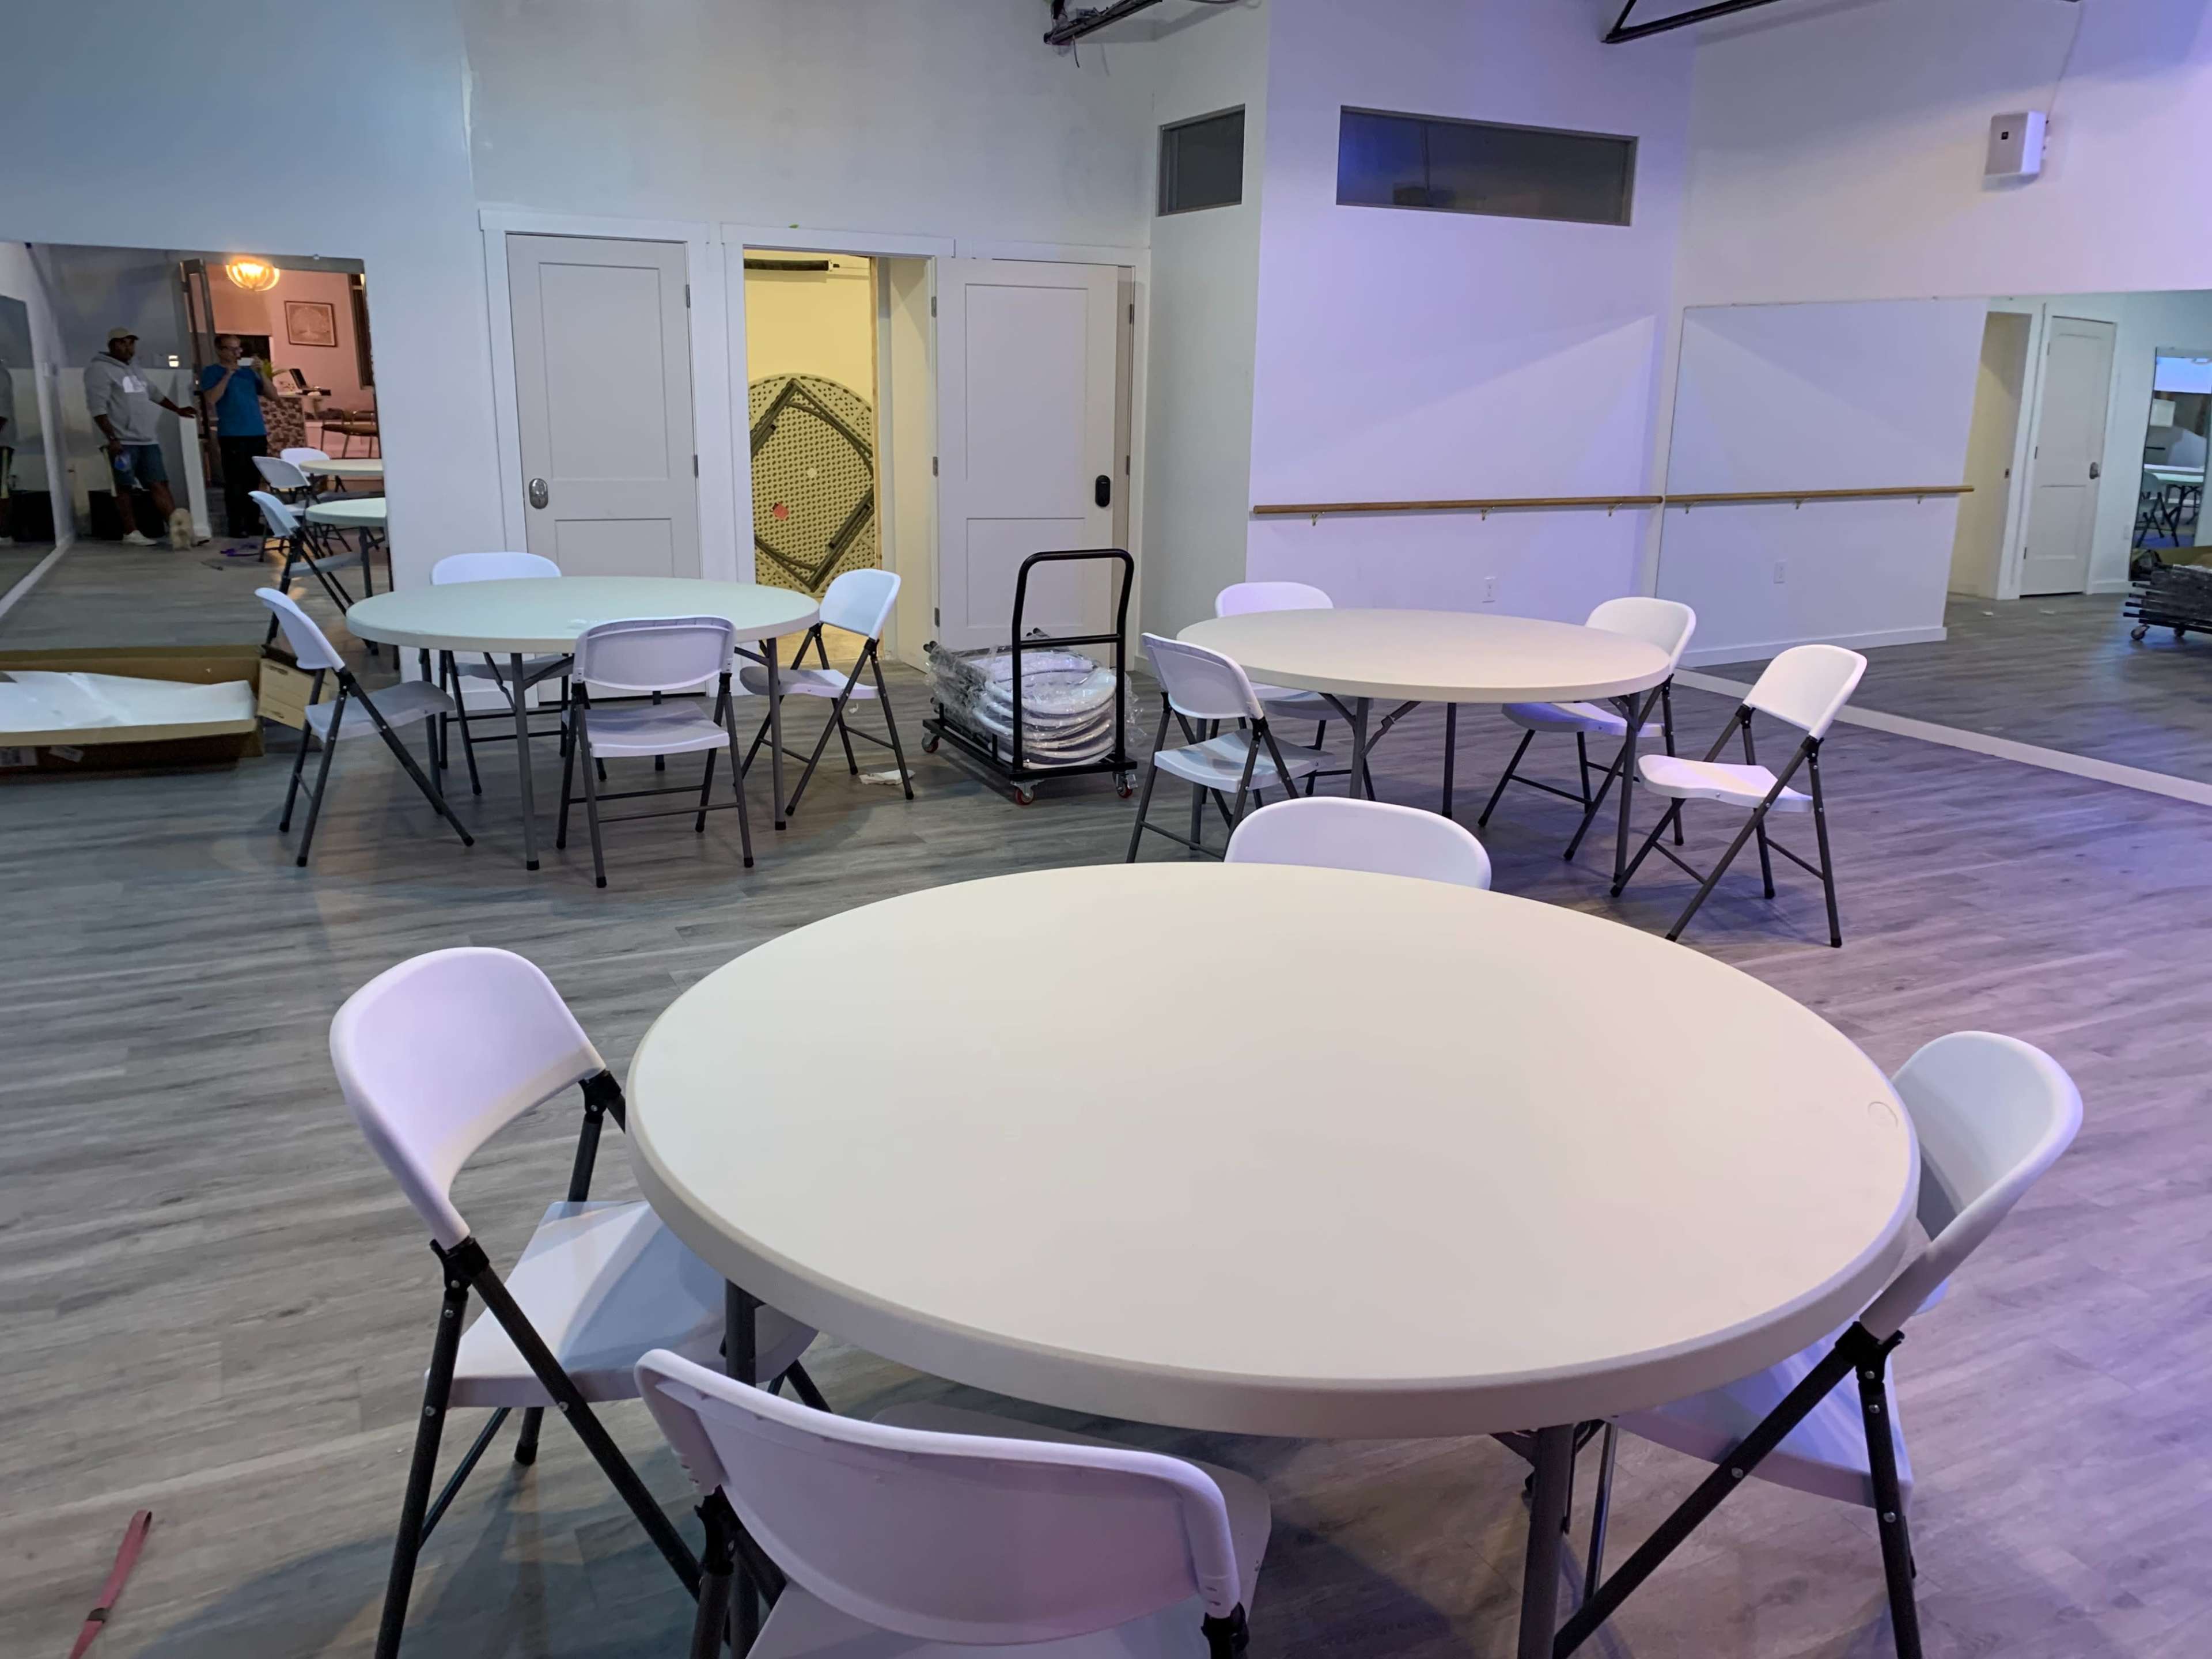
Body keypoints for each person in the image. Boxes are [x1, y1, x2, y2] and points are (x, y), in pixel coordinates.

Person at [85, 326, 198, 547]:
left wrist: (177, 410)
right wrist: (112, 438)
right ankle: (131, 532)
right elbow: (97, 407)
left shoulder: (134, 368)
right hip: (121, 441)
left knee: (159, 482)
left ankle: (178, 531)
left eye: (131, 342)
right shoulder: (99, 370)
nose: (128, 347)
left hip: (146, 439)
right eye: (123, 343)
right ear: (112, 345)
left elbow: (153, 392)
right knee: (124, 486)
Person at [199, 335, 292, 551]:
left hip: (256, 431)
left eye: (238, 350)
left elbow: (273, 396)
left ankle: (253, 521)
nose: (236, 354)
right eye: (231, 350)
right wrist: (228, 375)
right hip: (232, 433)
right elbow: (211, 399)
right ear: (219, 350)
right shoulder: (212, 372)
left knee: (253, 480)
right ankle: (237, 524)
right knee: (235, 481)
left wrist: (260, 372)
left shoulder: (249, 373)